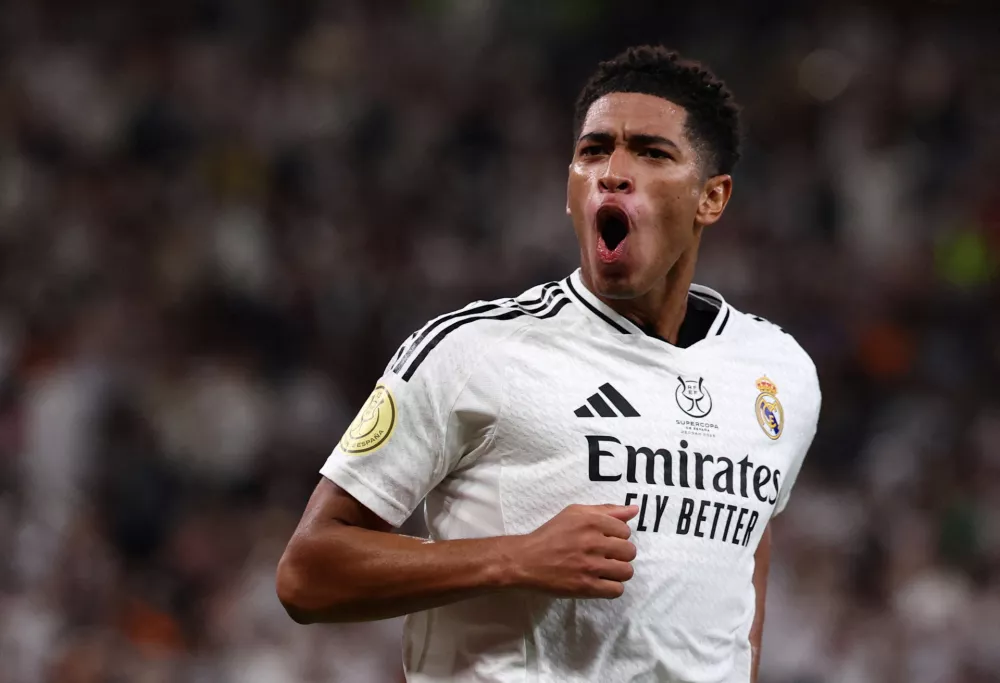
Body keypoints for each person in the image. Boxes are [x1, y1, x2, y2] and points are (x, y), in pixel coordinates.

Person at [276, 45, 821, 683]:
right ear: (570, 189)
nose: (613, 172)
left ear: (712, 198)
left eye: (651, 152)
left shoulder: (779, 371)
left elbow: (748, 545)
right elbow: (307, 573)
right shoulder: (474, 351)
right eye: (593, 151)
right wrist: (515, 558)